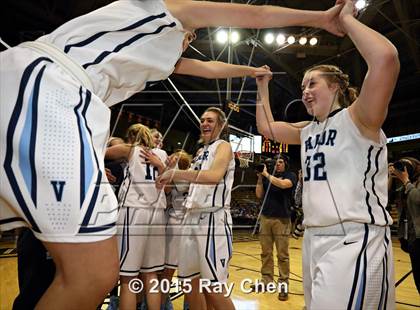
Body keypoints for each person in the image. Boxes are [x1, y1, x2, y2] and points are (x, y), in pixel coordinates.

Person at [0, 0, 348, 307]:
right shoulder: (165, 9)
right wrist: (321, 18)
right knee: (92, 272)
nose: (189, 40)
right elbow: (255, 14)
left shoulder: (158, 62)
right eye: (191, 36)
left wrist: (252, 72)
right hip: (51, 85)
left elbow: (209, 67)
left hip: (33, 83)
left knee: (104, 272)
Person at [255, 0, 400, 308]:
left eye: (312, 83)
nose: (304, 90)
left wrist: (346, 20)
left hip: (355, 237)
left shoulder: (359, 117)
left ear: (335, 86)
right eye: (302, 85)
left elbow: (386, 59)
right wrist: (262, 87)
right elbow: (267, 127)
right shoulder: (308, 130)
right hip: (313, 236)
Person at [156, 107, 235, 310]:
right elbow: (186, 186)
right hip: (190, 218)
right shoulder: (200, 152)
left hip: (212, 219)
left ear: (221, 125)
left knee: (213, 287)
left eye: (210, 120)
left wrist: (176, 173)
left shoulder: (223, 146)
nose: (204, 123)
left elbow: (213, 177)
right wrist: (165, 170)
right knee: (189, 282)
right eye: (202, 120)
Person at [105, 123, 167, 310]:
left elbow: (99, 152)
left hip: (134, 212)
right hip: (157, 215)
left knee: (128, 279)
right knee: (151, 275)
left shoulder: (130, 149)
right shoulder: (162, 155)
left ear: (131, 137)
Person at [254, 156, 296, 301]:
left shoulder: (290, 175)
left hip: (282, 220)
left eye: (280, 162)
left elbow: (283, 185)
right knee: (266, 253)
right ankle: (267, 281)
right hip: (266, 218)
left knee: (282, 255)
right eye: (275, 162)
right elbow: (259, 194)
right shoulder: (267, 177)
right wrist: (260, 178)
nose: (277, 164)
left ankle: (283, 285)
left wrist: (266, 174)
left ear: (285, 164)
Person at [161, 150, 193, 310]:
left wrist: (168, 169)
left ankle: (162, 303)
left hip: (175, 223)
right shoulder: (195, 174)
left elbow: (165, 190)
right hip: (192, 225)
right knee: (191, 272)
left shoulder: (176, 176)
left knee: (168, 271)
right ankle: (189, 304)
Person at [389, 157, 420, 293]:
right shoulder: (405, 185)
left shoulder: (411, 184)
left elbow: (418, 199)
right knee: (418, 281)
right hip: (413, 239)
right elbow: (385, 197)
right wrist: (391, 177)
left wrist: (406, 180)